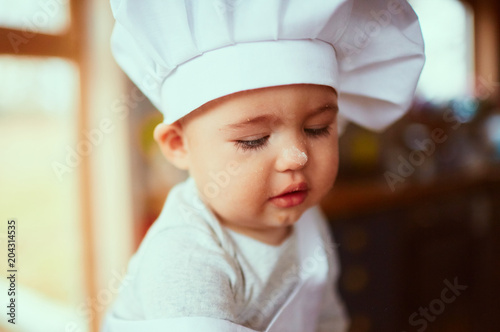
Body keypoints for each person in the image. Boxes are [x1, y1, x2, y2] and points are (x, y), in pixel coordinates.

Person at [102, 0, 425, 331]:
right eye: (254, 139)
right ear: (179, 145)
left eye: (317, 128)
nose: (297, 157)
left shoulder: (306, 219)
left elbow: (327, 318)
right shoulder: (182, 258)